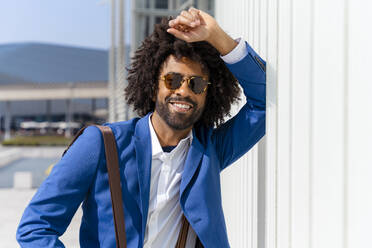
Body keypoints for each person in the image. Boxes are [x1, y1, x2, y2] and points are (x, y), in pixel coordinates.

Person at [16, 7, 266, 248]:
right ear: (152, 84)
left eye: (197, 84)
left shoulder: (210, 151)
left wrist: (217, 37)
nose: (183, 90)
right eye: (173, 79)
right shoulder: (100, 144)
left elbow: (265, 102)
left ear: (209, 94)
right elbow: (36, 227)